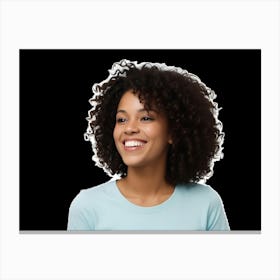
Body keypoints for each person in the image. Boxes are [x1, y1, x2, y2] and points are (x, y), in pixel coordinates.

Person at [67, 59, 230, 231]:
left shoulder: (206, 204)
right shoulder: (87, 207)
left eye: (145, 118)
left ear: (174, 131)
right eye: (121, 119)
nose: (129, 128)